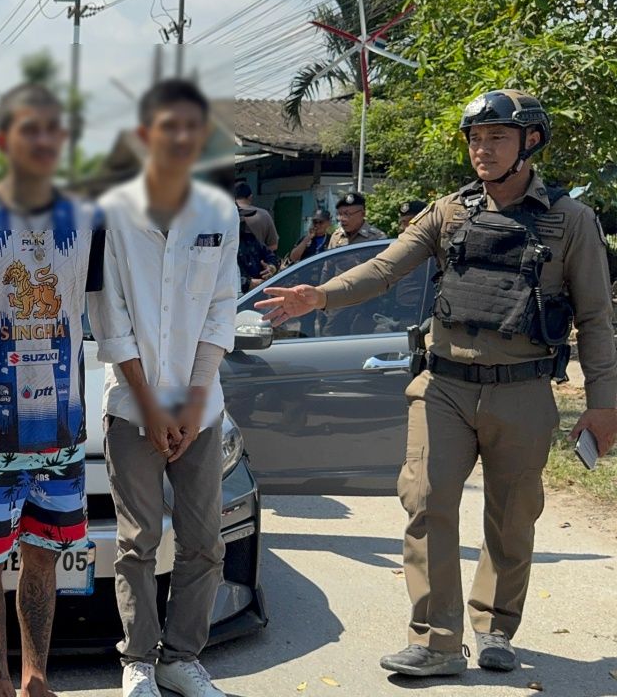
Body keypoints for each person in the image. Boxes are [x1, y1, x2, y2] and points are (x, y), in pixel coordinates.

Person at [256, 89, 617, 678]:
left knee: (512, 515)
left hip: (522, 390)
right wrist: (319, 295)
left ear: (530, 141)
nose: (482, 149)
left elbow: (596, 319)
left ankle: (496, 627)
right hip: (444, 385)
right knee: (425, 503)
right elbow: (383, 268)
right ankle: (436, 640)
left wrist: (604, 404)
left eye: (496, 138)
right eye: (475, 139)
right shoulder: (449, 212)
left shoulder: (570, 220)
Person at [0, 83, 104, 697]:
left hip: (63, 429)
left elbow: (89, 307)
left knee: (44, 556)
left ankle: (36, 677)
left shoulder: (87, 217)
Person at [87, 78, 237, 697]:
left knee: (204, 542)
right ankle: (139, 660)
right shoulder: (113, 213)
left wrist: (193, 405)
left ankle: (181, 658)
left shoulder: (219, 212)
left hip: (202, 409)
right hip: (133, 407)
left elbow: (221, 310)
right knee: (138, 541)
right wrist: (152, 409)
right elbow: (110, 319)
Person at [233, 181, 279, 252]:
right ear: (250, 197)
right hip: (258, 258)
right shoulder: (264, 215)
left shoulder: (223, 216)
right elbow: (274, 246)